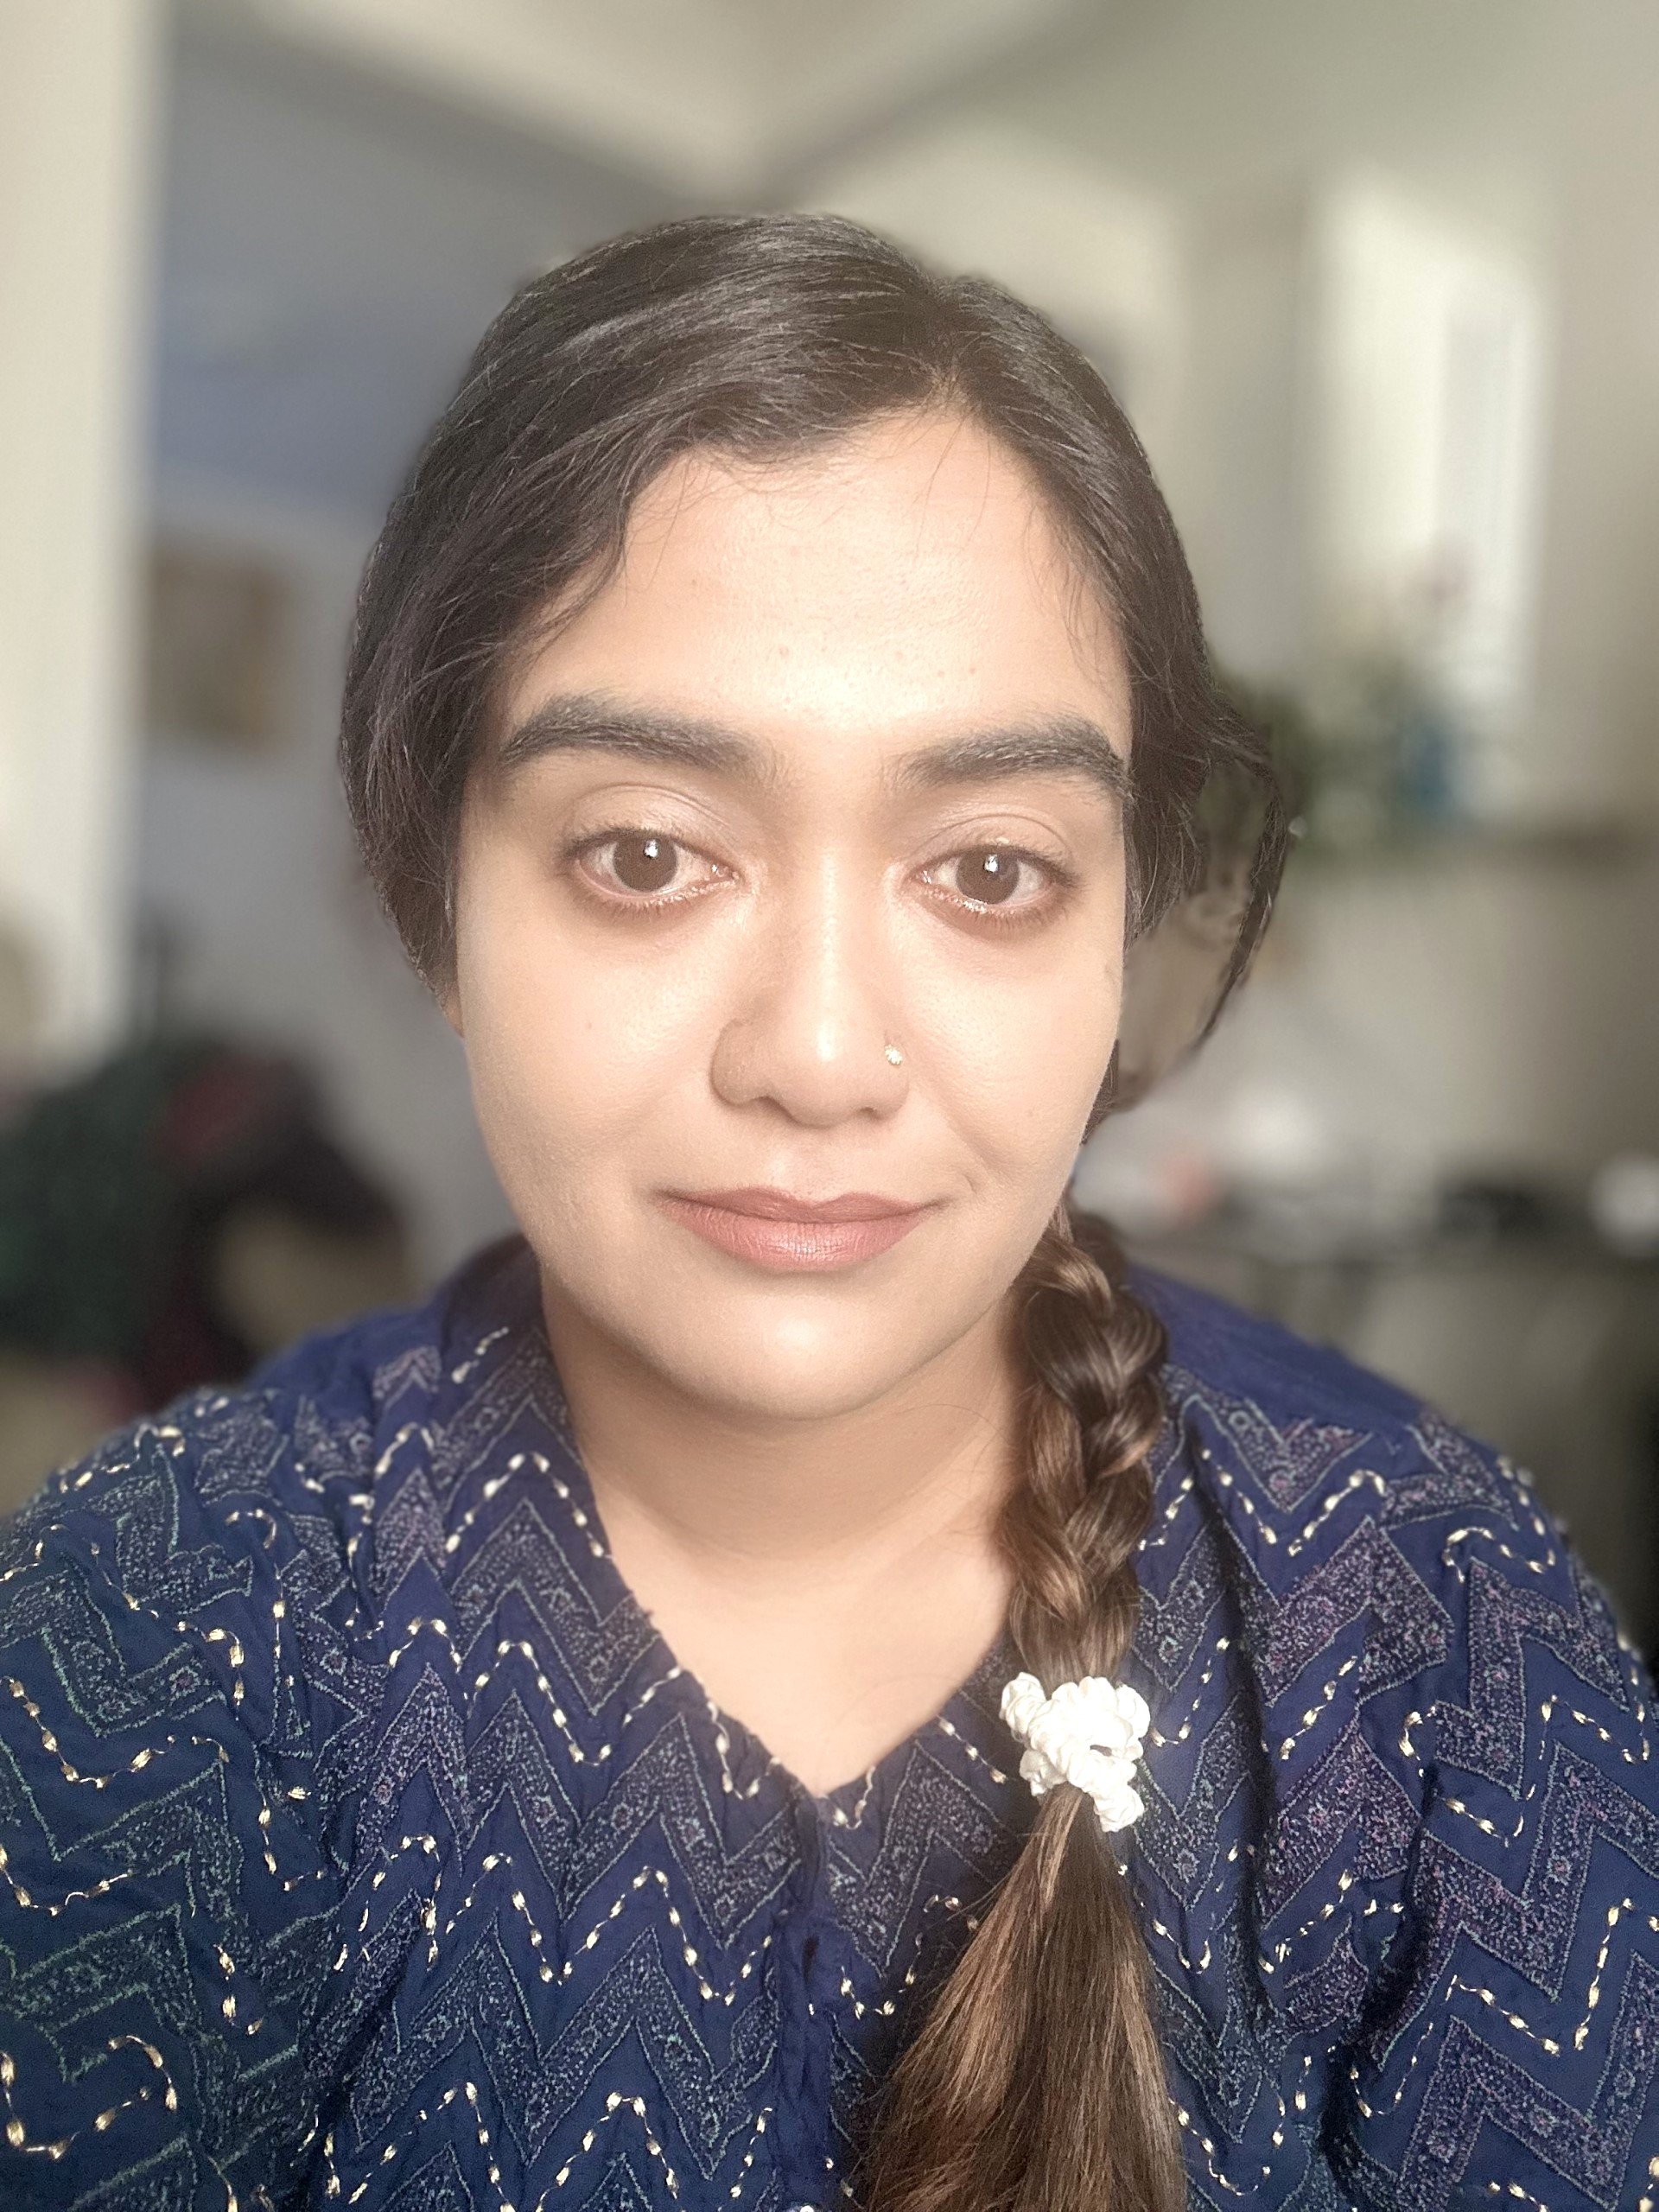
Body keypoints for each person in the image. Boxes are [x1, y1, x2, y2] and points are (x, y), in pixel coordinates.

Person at [0, 213, 1655, 2212]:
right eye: (642, 851)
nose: (816, 1054)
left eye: (990, 872)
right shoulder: (163, 1621)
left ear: (1122, 932)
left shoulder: (1431, 1626)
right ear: (435, 904)